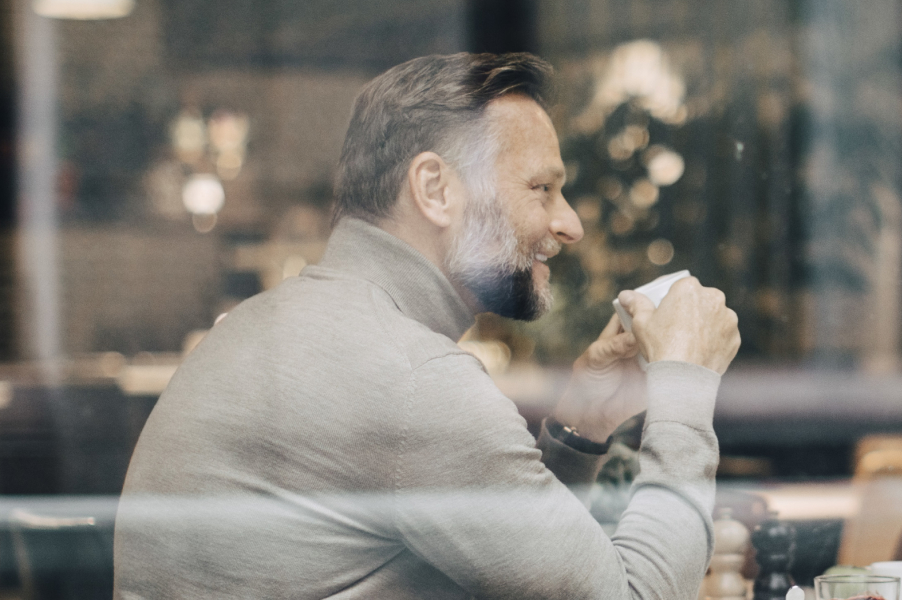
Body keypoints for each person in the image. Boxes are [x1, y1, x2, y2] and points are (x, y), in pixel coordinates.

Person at [114, 53, 741, 599]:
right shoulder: (410, 379)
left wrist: (581, 428)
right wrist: (684, 390)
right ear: (436, 189)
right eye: (542, 189)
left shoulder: (263, 327)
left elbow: (520, 568)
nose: (569, 224)